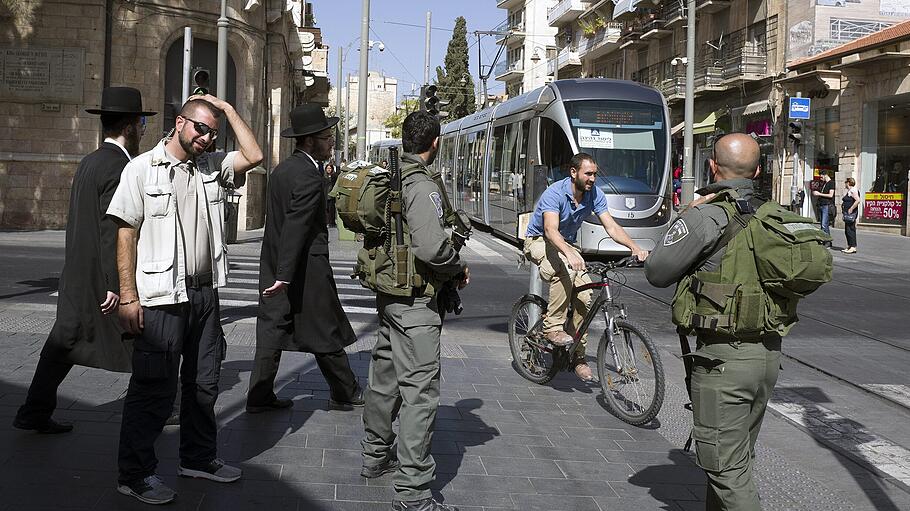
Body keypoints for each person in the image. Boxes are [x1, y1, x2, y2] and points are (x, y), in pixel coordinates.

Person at [107, 94, 263, 505]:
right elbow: (126, 234)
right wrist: (128, 296)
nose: (207, 138)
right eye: (200, 128)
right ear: (179, 123)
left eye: (213, 132)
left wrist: (227, 111)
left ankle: (197, 458)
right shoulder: (140, 170)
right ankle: (135, 473)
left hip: (205, 292)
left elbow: (255, 154)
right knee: (154, 388)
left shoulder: (211, 168)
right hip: (161, 296)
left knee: (204, 383)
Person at [644, 133, 779, 511]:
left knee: (727, 471)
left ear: (713, 168)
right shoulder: (775, 215)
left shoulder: (708, 216)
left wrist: (687, 215)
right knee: (736, 460)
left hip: (723, 361)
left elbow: (657, 270)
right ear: (757, 170)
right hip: (767, 357)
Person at [13, 87, 153, 435]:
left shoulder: (91, 161)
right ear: (131, 126)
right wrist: (116, 284)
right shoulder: (122, 167)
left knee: (63, 342)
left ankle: (34, 411)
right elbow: (113, 230)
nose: (143, 130)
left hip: (77, 273)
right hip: (98, 280)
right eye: (142, 123)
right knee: (143, 342)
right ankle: (163, 404)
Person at [360, 111, 469, 511]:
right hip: (416, 301)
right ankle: (413, 493)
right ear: (435, 142)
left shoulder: (391, 176)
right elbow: (431, 248)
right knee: (420, 393)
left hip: (389, 296)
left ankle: (374, 456)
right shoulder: (422, 186)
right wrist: (456, 265)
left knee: (385, 378)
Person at [247, 104, 363, 415]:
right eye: (327, 138)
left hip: (276, 260)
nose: (331, 144)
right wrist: (285, 275)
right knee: (324, 329)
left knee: (272, 328)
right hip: (304, 268)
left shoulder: (283, 170)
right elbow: (297, 226)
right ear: (310, 140)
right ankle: (346, 392)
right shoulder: (310, 176)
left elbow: (280, 223)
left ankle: (259, 395)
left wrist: (278, 270)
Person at [523, 152, 649, 381]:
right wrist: (569, 253)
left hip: (566, 243)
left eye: (595, 174)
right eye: (588, 174)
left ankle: (577, 356)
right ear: (574, 173)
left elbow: (611, 226)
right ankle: (552, 327)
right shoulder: (555, 194)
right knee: (563, 269)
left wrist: (634, 247)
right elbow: (551, 230)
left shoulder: (595, 195)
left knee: (585, 297)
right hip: (539, 240)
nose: (592, 178)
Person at [813, 170, 835, 246]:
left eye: (821, 176)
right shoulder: (824, 184)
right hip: (821, 205)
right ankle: (827, 240)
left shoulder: (831, 183)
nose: (821, 178)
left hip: (826, 205)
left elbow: (831, 195)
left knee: (824, 225)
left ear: (825, 175)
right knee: (823, 224)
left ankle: (827, 241)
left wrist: (819, 194)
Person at [842, 177, 860, 254]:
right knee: (847, 230)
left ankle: (853, 246)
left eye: (845, 182)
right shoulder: (849, 191)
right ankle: (850, 245)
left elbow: (857, 200)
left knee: (850, 229)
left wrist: (851, 208)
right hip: (847, 213)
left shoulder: (853, 190)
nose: (845, 184)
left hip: (851, 213)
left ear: (848, 183)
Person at [325, 160, 338, 227]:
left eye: (330, 168)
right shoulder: (324, 176)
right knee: (326, 209)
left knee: (332, 209)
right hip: (325, 195)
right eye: (327, 168)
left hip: (332, 195)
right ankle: (327, 222)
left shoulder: (334, 176)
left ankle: (332, 222)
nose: (329, 170)